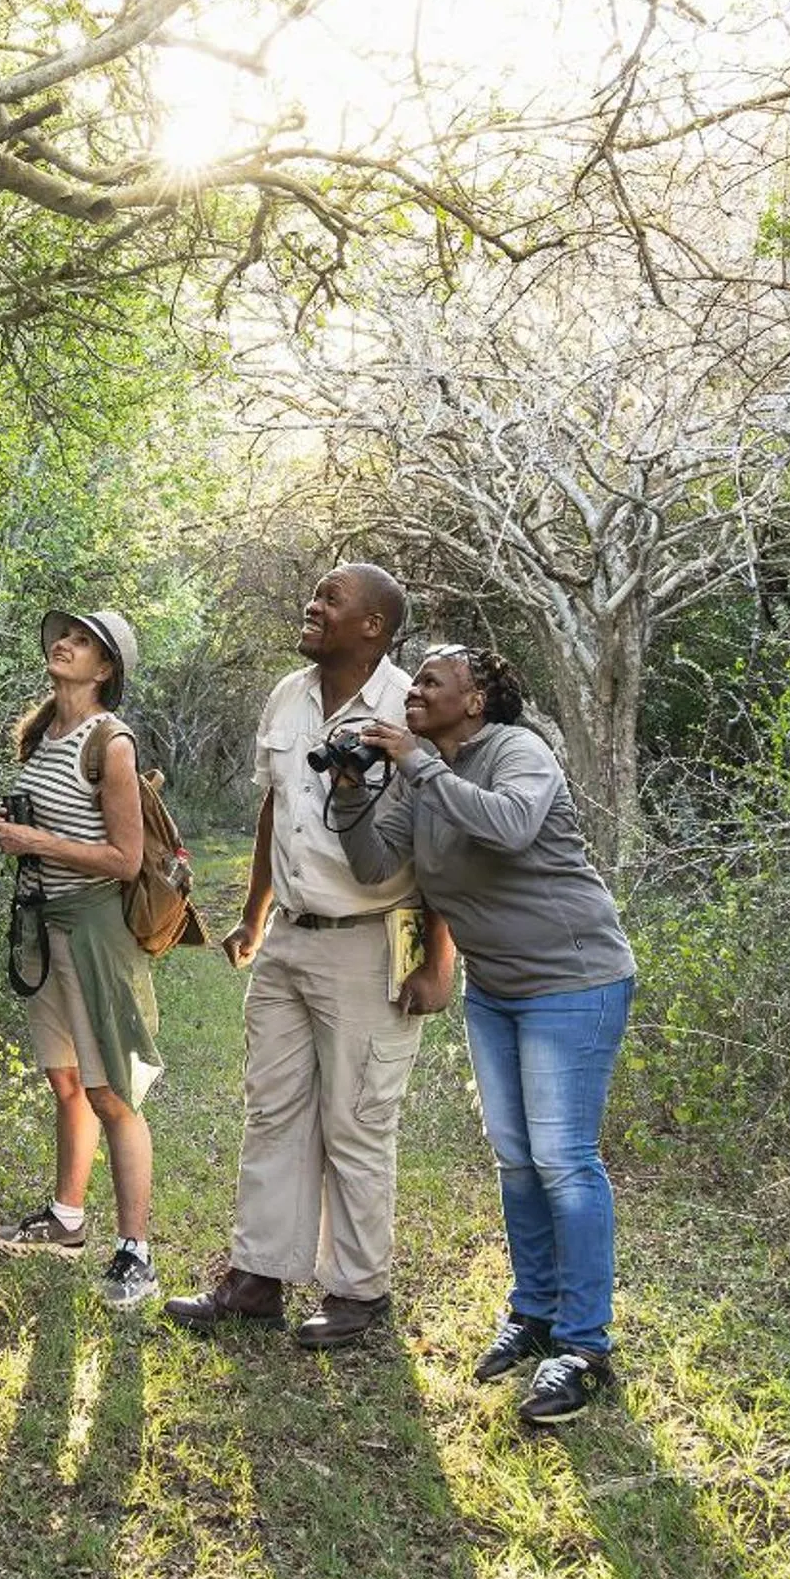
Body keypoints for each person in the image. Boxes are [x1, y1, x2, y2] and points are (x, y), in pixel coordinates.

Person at [338, 642, 636, 1425]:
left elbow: (508, 827)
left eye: (431, 681)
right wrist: (347, 793)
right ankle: (534, 1316)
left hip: (573, 982)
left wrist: (419, 766)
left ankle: (583, 1348)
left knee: (563, 1162)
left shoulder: (517, 750)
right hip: (495, 988)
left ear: (473, 701)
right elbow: (373, 863)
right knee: (515, 1162)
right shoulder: (418, 772)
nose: (414, 691)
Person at [164, 563, 450, 1350]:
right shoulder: (288, 694)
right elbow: (273, 807)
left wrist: (437, 958)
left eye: (330, 598)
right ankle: (257, 1278)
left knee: (356, 1118)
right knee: (272, 1109)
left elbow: (441, 845)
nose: (311, 605)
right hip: (290, 936)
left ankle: (358, 1292)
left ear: (373, 626)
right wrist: (253, 915)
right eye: (313, 593)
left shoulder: (411, 705)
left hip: (372, 937)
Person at [0, 608, 165, 1310]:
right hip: (44, 921)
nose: (64, 644)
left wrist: (33, 844)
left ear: (107, 670)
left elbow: (123, 860)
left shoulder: (109, 742)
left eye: (83, 642)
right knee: (66, 1083)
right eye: (63, 636)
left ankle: (135, 1254)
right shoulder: (42, 734)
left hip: (95, 929)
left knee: (111, 1094)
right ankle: (65, 1221)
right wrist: (15, 832)